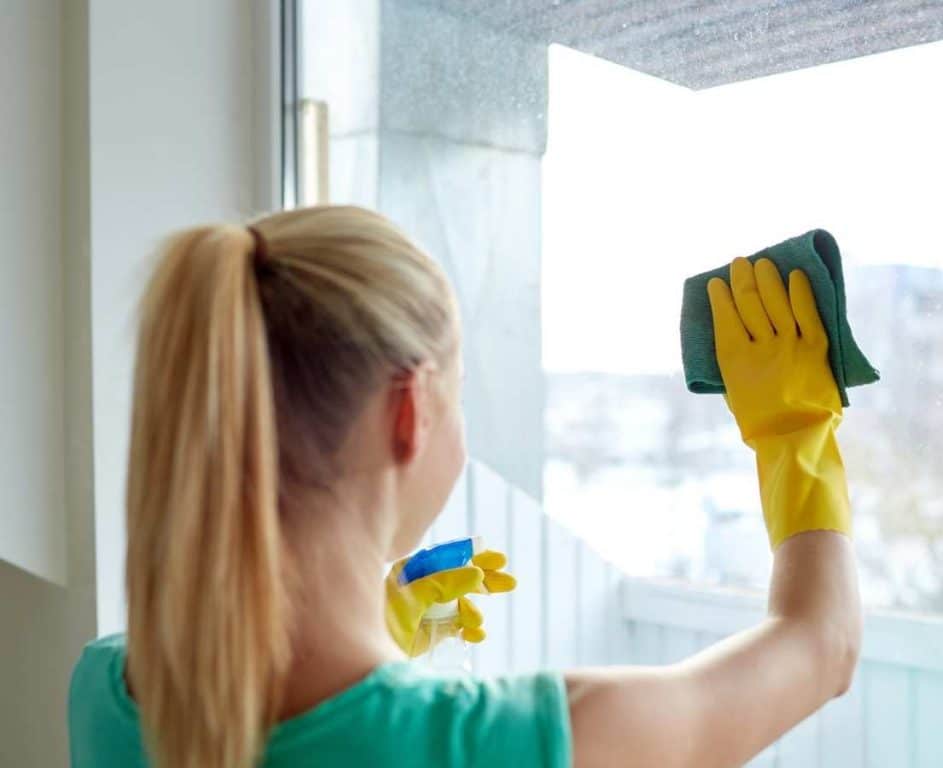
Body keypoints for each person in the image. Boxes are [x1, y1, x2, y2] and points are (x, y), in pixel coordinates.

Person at [68, 205, 861, 768]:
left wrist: (365, 620)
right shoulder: (521, 745)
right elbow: (822, 647)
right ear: (410, 410)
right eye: (462, 389)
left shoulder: (106, 692)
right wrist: (792, 434)